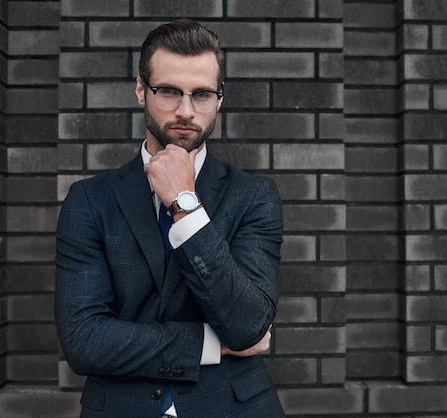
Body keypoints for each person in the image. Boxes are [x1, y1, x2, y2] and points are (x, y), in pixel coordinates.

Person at [55, 18, 285, 417]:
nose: (185, 110)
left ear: (220, 99)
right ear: (142, 90)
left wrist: (184, 204)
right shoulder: (89, 200)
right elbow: (83, 340)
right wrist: (210, 345)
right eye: (169, 91)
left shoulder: (253, 196)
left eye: (201, 94)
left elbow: (248, 325)